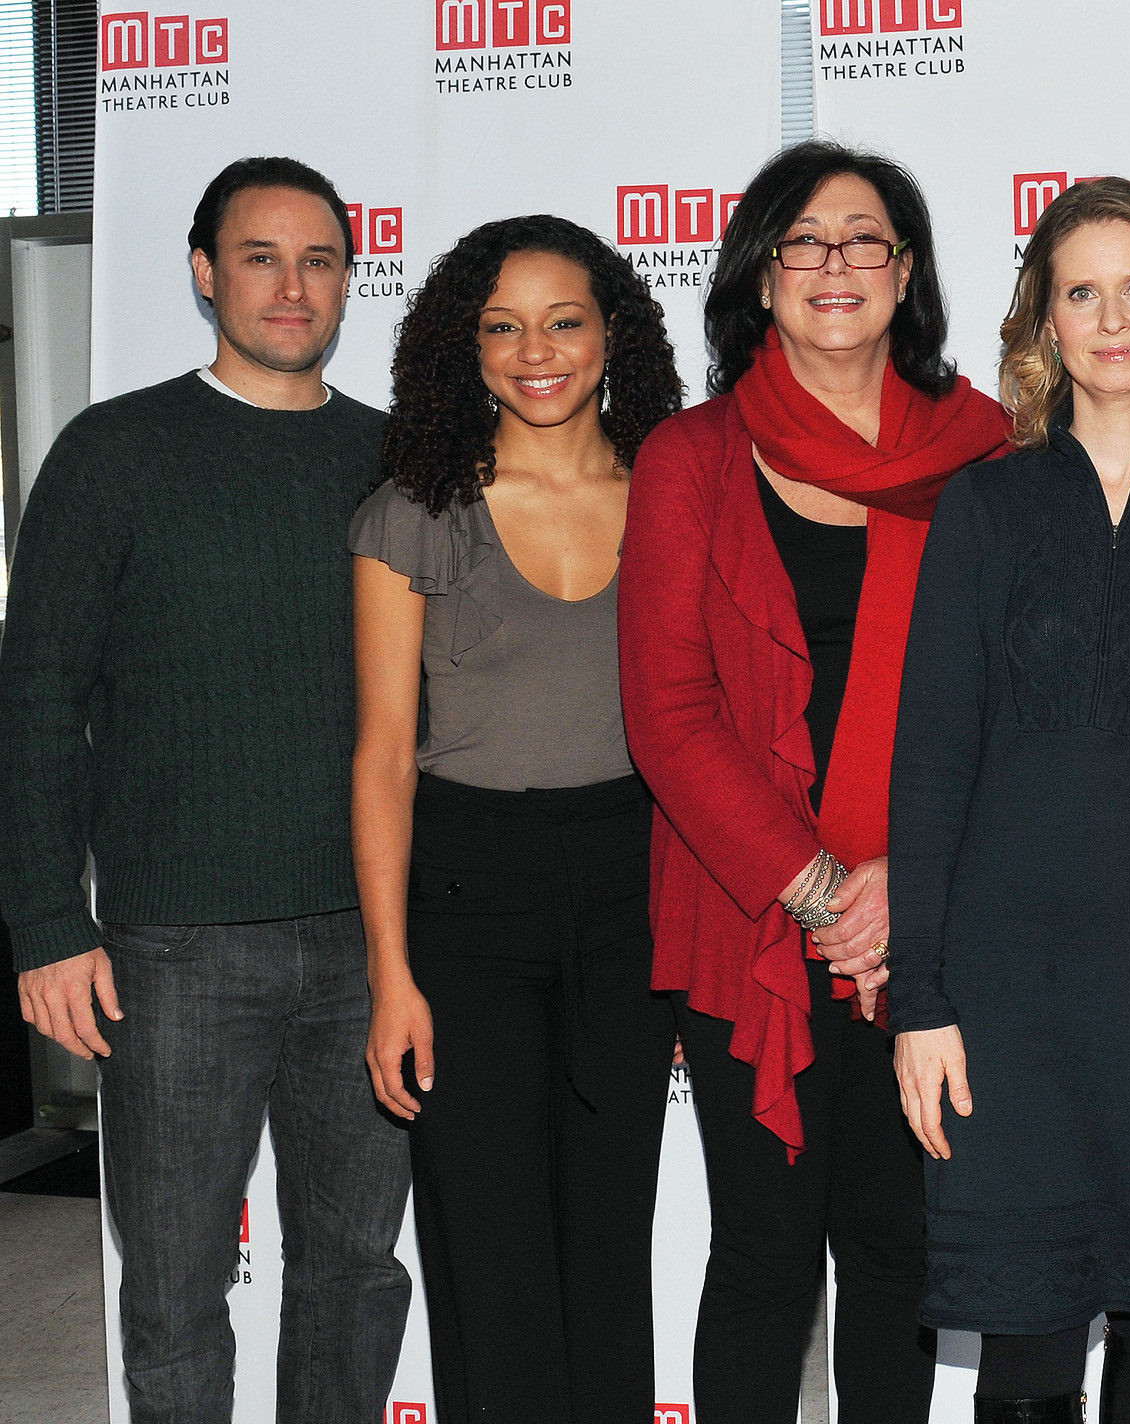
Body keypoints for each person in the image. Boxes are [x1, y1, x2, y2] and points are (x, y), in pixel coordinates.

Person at [0, 157, 412, 1422]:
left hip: (369, 943)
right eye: (259, 257)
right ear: (202, 273)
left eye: (320, 259)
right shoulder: (113, 451)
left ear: (350, 279)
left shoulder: (394, 460)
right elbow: (35, 696)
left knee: (352, 1275)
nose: (292, 286)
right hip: (175, 951)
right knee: (175, 1294)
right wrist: (45, 923)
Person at [618, 139, 1010, 1424]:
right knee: (764, 1259)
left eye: (865, 240)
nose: (834, 264)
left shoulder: (987, 454)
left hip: (931, 920)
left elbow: (1017, 704)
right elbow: (667, 714)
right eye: (803, 240)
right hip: (753, 920)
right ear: (761, 273)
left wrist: (910, 883)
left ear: (907, 273)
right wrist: (826, 888)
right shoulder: (690, 456)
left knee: (901, 1254)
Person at [889, 178, 1130, 1424]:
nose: (1110, 317)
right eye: (1079, 291)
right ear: (1041, 324)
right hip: (1008, 988)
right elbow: (932, 758)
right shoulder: (985, 505)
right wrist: (921, 997)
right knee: (1024, 1335)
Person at [349, 215, 685, 1422]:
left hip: (631, 889)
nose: (533, 350)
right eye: (500, 325)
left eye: (562, 319)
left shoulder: (675, 491)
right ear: (463, 347)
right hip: (465, 892)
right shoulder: (414, 508)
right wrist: (390, 972)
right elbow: (385, 755)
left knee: (610, 1235)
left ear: (613, 336)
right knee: (486, 1246)